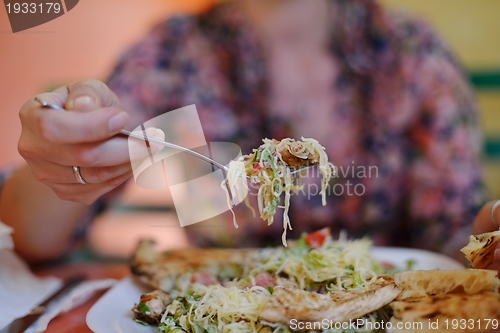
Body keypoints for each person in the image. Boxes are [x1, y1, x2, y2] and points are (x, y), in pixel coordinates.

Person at [0, 0, 495, 266]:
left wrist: (486, 243)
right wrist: (67, 150)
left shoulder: (410, 53)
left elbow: (454, 242)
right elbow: (36, 241)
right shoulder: (173, 56)